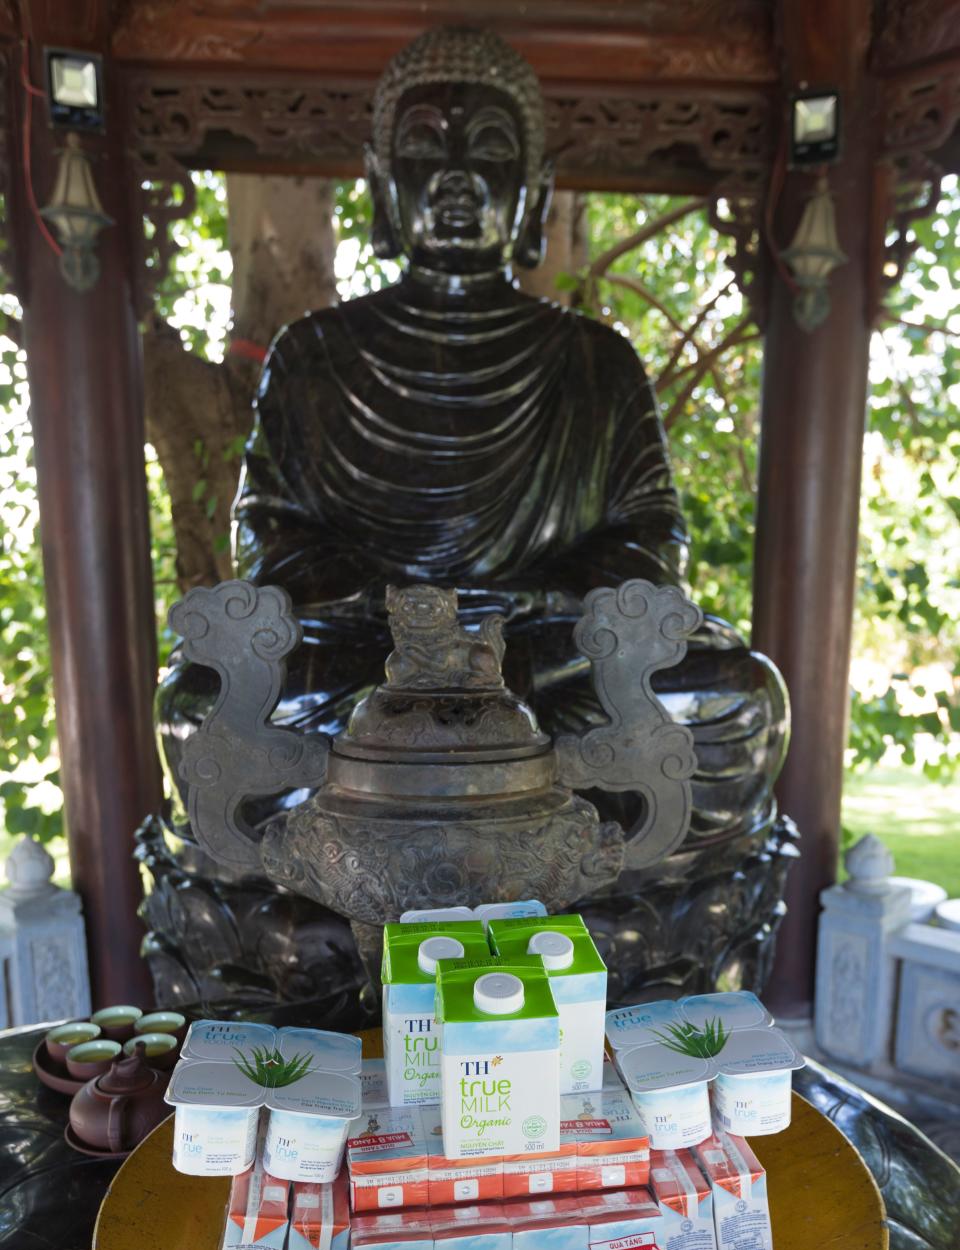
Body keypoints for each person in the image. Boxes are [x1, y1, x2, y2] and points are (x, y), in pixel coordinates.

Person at [152, 26, 791, 1010]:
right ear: (379, 179)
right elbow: (274, 543)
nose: (455, 177)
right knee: (198, 703)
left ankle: (353, 910)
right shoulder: (315, 353)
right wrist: (396, 610)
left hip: (544, 651)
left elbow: (647, 546)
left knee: (733, 699)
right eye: (424, 148)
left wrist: (520, 604)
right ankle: (566, 905)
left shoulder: (595, 363)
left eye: (488, 150)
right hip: (371, 666)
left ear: (534, 186)